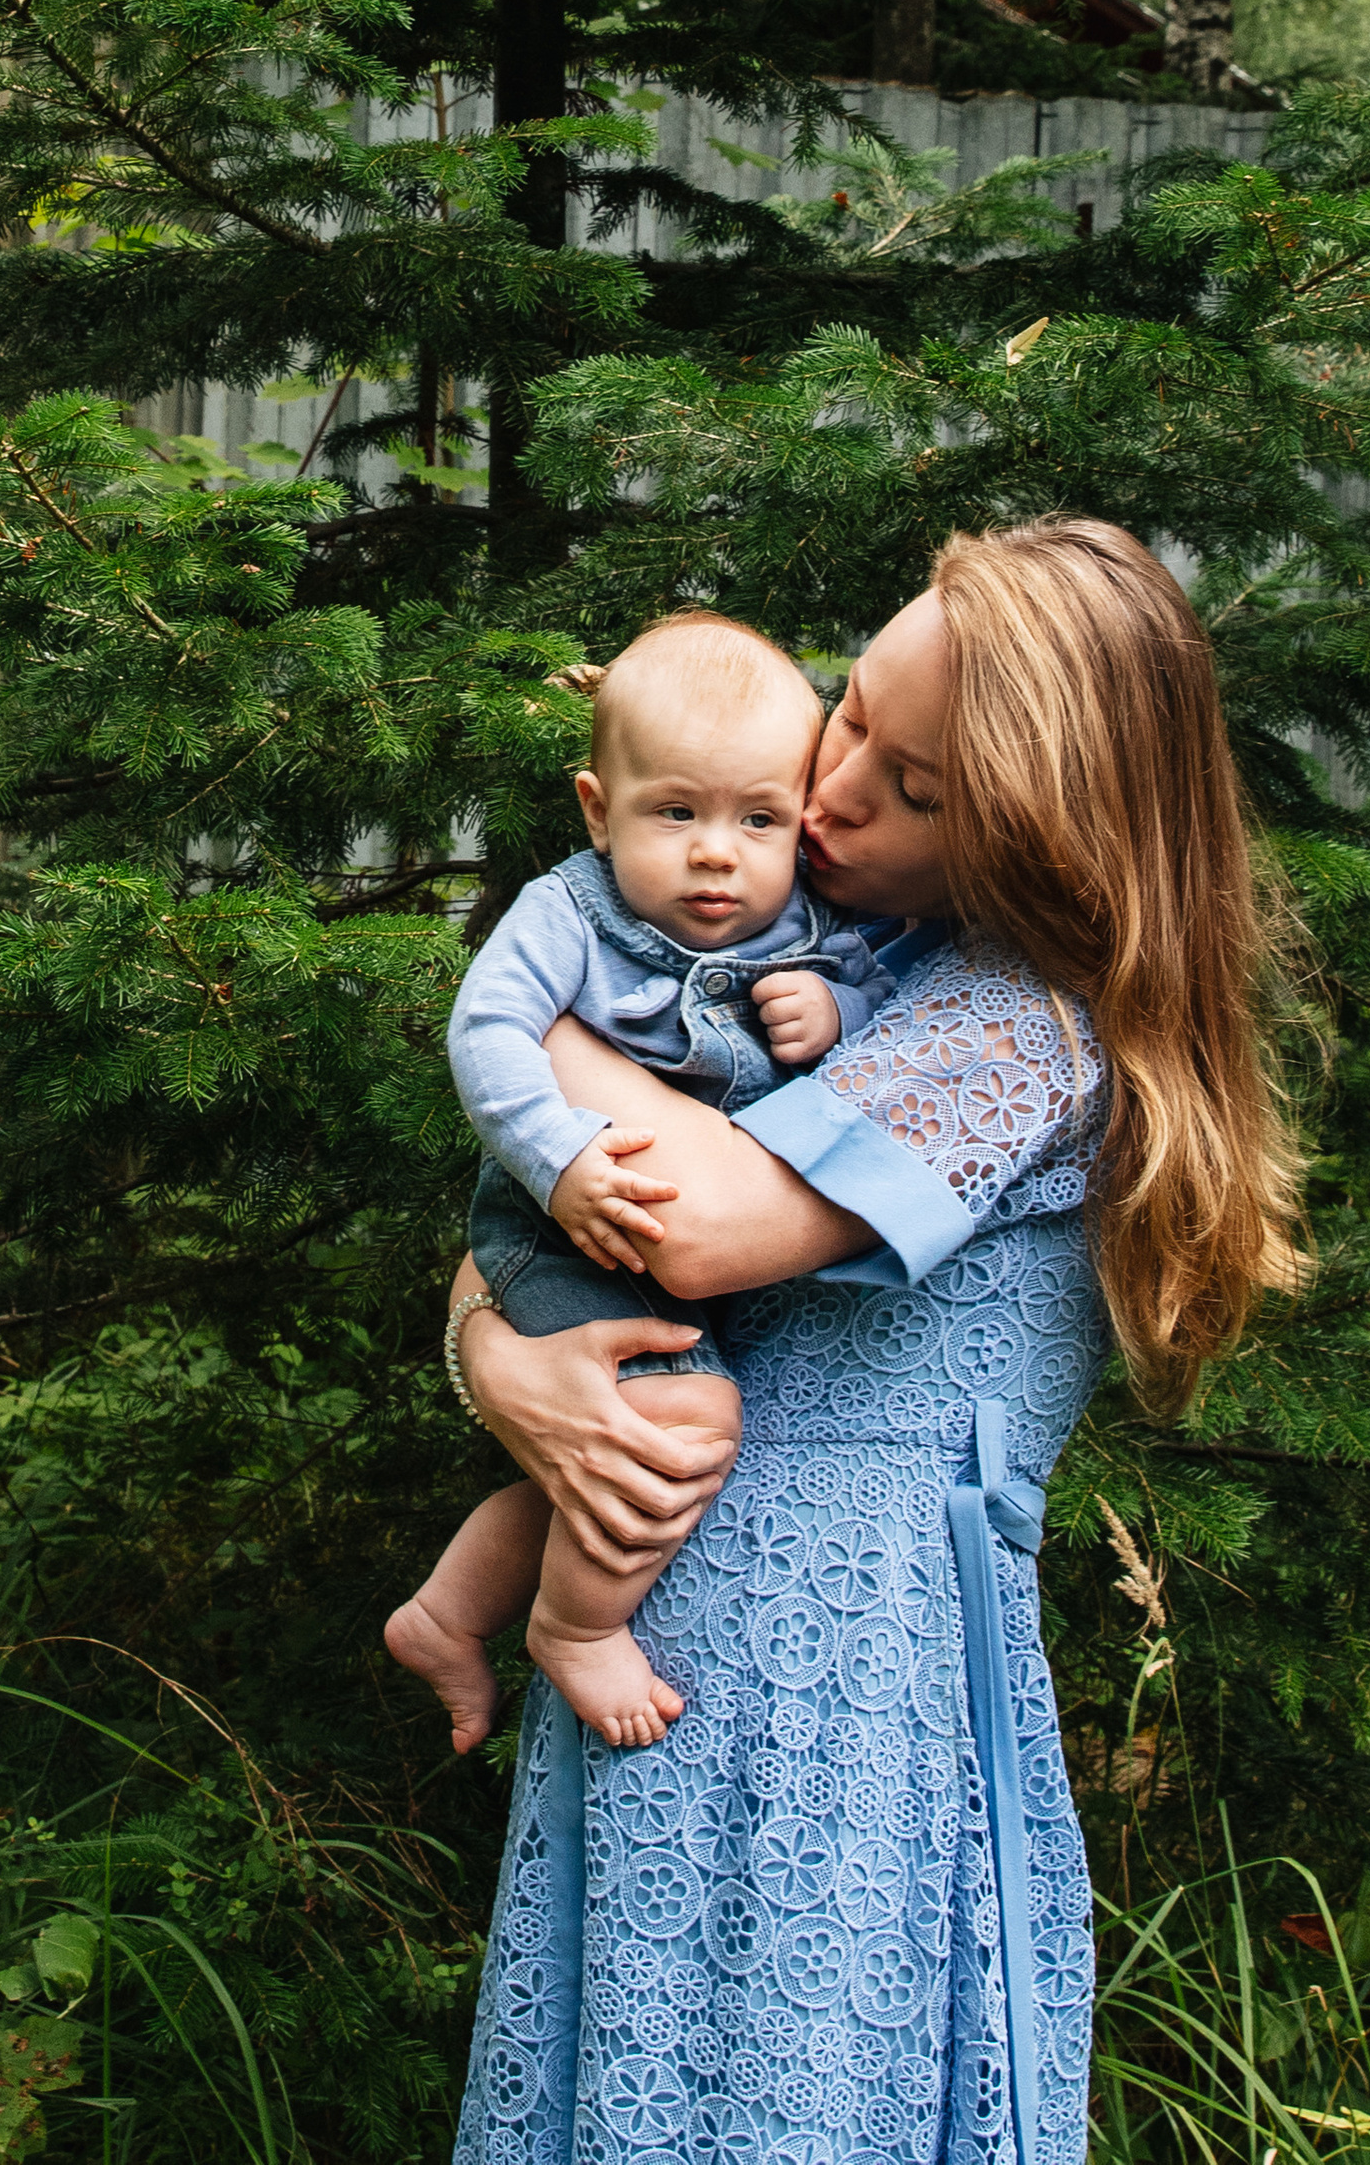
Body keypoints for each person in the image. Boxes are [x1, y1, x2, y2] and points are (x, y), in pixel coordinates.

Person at [441, 516, 1305, 2165]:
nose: (831, 794)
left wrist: (526, 1026)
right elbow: (545, 1239)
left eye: (913, 792)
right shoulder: (795, 953)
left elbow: (686, 1217)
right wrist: (502, 1368)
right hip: (653, 1647)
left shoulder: (1019, 1030)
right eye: (853, 719)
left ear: (1044, 849)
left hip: (856, 1704)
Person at [387, 613, 893, 1752]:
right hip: (560, 1228)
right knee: (685, 1415)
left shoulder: (813, 929)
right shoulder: (568, 913)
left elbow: (867, 1009)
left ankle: (449, 1610)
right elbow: (489, 1034)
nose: (719, 852)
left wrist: (835, 1014)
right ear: (594, 808)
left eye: (758, 818)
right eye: (677, 812)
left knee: (618, 1453)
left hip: (670, 1262)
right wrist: (560, 1161)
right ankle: (572, 1631)